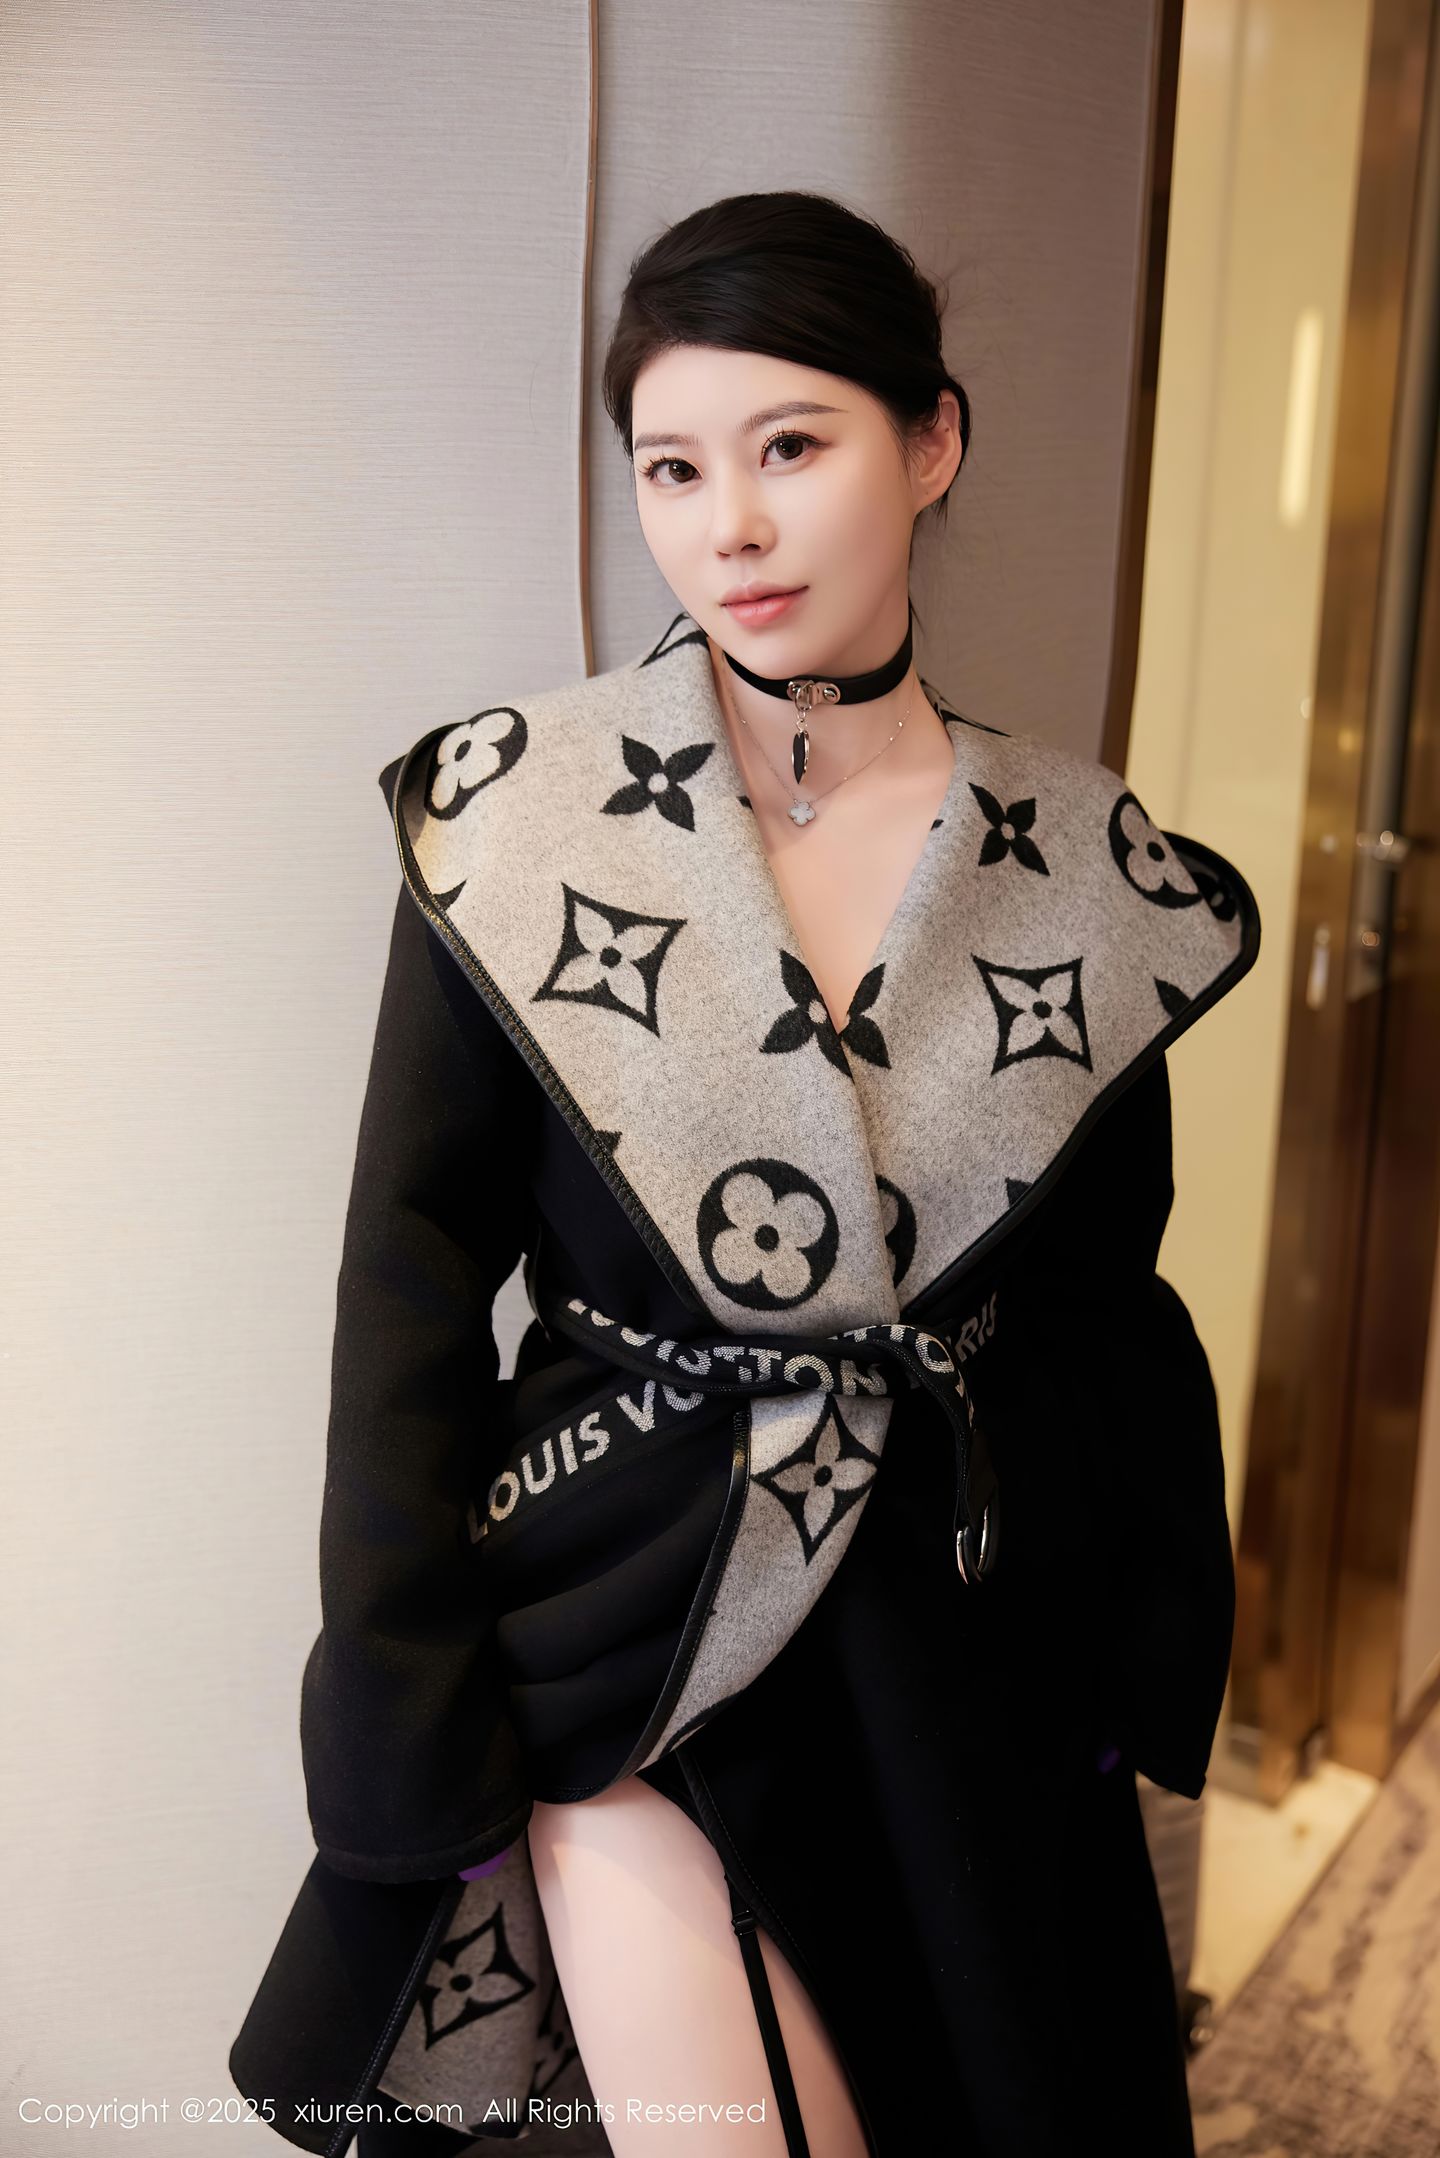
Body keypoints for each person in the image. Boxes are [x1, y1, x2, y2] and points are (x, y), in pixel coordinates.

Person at [230, 190, 1260, 2158]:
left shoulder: (1084, 866)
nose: (733, 528)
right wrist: (396, 1696)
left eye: (792, 445)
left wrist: (1132, 1639)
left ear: (931, 442)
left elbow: (1105, 1306)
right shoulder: (519, 823)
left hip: (961, 1649)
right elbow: (407, 1286)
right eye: (674, 468)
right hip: (632, 1604)